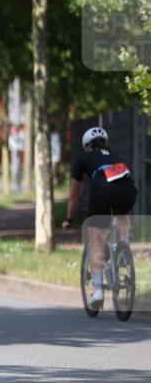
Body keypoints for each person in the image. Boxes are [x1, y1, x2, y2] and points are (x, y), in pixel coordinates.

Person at [62, 126, 137, 309]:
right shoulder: (116, 156)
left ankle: (97, 290)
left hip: (103, 188)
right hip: (128, 188)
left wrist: (69, 219)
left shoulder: (83, 159)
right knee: (122, 213)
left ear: (87, 146)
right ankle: (123, 249)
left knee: (96, 237)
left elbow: (74, 195)